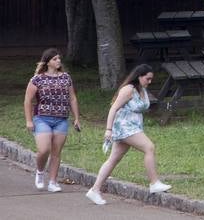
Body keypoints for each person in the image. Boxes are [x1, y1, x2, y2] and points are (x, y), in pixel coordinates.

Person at [86, 64, 171, 205]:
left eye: (151, 79)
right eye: (147, 79)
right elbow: (113, 109)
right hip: (124, 127)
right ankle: (154, 183)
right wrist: (108, 129)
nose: (149, 82)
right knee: (149, 147)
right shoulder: (128, 90)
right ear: (139, 76)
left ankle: (95, 190)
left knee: (114, 159)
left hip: (134, 126)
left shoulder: (141, 89)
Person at [25, 48, 81, 193]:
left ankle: (53, 182)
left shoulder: (66, 77)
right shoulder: (37, 79)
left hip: (61, 119)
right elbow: (28, 100)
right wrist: (29, 121)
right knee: (44, 149)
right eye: (55, 59)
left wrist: (76, 118)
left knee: (56, 152)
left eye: (59, 58)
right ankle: (40, 171)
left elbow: (72, 98)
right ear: (48, 62)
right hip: (42, 118)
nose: (58, 61)